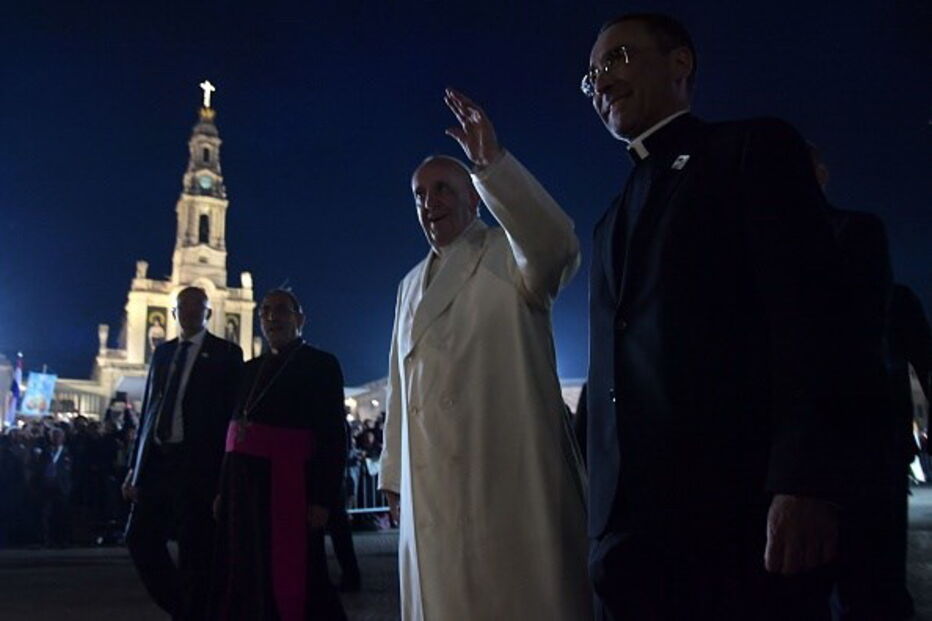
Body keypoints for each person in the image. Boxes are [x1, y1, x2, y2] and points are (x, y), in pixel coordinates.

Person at [583, 13, 845, 618]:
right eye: (592, 73)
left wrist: (804, 481)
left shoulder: (750, 151)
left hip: (734, 519)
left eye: (617, 58)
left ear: (681, 64)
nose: (601, 80)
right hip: (626, 542)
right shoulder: (607, 221)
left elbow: (810, 318)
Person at [379, 88, 590, 620]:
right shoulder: (407, 285)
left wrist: (493, 165)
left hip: (504, 477)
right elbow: (401, 386)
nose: (432, 203)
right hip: (430, 488)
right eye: (420, 195)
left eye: (445, 189)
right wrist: (394, 478)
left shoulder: (508, 252)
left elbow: (557, 246)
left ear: (475, 198)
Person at [209, 289, 347, 621]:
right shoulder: (249, 369)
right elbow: (233, 433)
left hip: (292, 486)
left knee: (300, 573)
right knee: (247, 567)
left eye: (282, 310)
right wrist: (222, 490)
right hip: (244, 490)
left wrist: (322, 498)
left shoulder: (321, 364)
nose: (273, 317)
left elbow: (332, 435)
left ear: (300, 319)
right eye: (266, 311)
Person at [122, 286, 243, 620]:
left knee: (195, 550)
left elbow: (232, 418)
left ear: (208, 313)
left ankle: (192, 612)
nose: (190, 312)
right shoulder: (162, 353)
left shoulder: (227, 353)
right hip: (159, 462)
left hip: (198, 466)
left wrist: (225, 477)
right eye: (183, 306)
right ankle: (183, 607)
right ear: (173, 313)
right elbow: (149, 409)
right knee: (139, 538)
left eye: (197, 306)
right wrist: (135, 466)